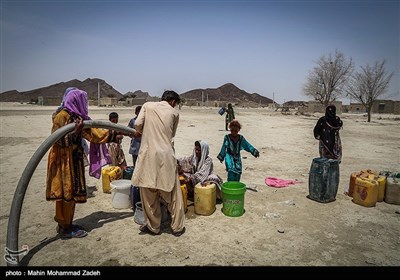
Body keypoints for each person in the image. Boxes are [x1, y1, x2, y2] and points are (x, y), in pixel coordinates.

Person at [46, 88, 121, 238]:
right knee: (66, 194)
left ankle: (66, 223)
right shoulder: (62, 116)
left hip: (73, 160)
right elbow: (57, 140)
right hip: (63, 163)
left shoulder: (76, 117)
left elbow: (93, 133)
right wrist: (75, 132)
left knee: (71, 194)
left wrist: (115, 134)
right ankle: (65, 227)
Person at [131, 90, 185, 237]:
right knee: (173, 194)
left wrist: (144, 131)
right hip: (166, 156)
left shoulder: (147, 105)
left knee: (148, 193)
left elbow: (137, 124)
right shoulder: (174, 113)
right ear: (173, 102)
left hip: (148, 156)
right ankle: (177, 227)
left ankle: (154, 227)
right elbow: (171, 134)